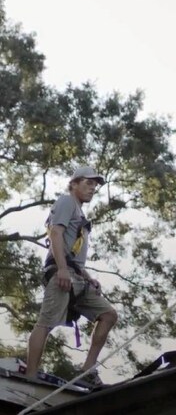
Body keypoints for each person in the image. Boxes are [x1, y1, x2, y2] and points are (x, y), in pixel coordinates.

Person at [26, 166, 118, 388]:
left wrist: (87, 276)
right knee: (46, 323)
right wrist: (62, 269)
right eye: (88, 183)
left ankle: (87, 369)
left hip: (76, 275)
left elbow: (73, 251)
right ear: (75, 183)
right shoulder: (67, 202)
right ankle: (29, 376)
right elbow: (55, 233)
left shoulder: (80, 212)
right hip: (61, 273)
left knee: (108, 314)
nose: (92, 188)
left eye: (95, 186)